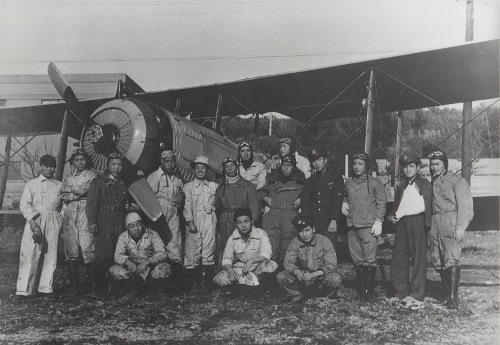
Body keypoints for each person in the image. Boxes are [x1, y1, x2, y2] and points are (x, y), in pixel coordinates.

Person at [428, 150, 473, 309]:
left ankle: (453, 298)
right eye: (432, 164)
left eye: (437, 164)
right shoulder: (433, 182)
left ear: (445, 164)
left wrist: (461, 227)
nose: (434, 167)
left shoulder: (457, 181)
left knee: (451, 258)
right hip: (435, 223)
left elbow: (466, 206)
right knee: (438, 259)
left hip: (451, 221)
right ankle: (446, 295)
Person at [387, 153, 431, 309]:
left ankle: (416, 294)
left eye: (411, 166)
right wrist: (391, 217)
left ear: (417, 168)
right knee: (399, 257)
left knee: (418, 257)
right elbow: (396, 207)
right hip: (402, 224)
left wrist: (428, 225)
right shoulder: (400, 185)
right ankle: (399, 292)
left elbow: (428, 205)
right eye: (405, 167)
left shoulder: (424, 184)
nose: (408, 169)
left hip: (418, 222)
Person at [342, 152, 387, 301]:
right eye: (354, 164)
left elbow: (382, 203)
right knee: (356, 259)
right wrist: (344, 202)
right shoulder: (348, 182)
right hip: (351, 225)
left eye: (360, 164)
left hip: (368, 225)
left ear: (366, 166)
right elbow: (345, 195)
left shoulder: (375, 183)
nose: (356, 167)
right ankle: (362, 289)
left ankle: (368, 290)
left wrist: (379, 221)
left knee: (369, 259)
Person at [16, 155, 63, 297]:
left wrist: (59, 219)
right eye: (46, 165)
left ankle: (45, 288)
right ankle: (24, 289)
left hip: (53, 219)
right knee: (29, 253)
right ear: (40, 166)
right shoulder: (32, 184)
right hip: (36, 218)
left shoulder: (59, 185)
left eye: (52, 166)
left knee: (51, 254)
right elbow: (24, 204)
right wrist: (32, 222)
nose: (49, 169)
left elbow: (64, 205)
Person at [86, 152, 129, 296]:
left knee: (117, 252)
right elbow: (91, 204)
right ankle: (98, 289)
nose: (117, 168)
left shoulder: (123, 182)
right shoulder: (98, 182)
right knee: (102, 254)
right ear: (108, 165)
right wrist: (92, 222)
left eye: (120, 165)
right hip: (103, 220)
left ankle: (114, 287)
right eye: (114, 164)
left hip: (119, 220)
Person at [277, 215, 341, 302]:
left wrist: (314, 274)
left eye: (307, 230)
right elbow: (288, 263)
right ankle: (297, 296)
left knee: (334, 279)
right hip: (303, 281)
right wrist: (297, 272)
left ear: (313, 229)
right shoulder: (295, 242)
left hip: (320, 280)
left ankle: (326, 297)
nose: (304, 235)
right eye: (301, 231)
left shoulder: (324, 241)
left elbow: (331, 265)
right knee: (281, 276)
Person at [60, 148, 99, 293]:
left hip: (85, 210)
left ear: (86, 160)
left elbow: (85, 190)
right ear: (73, 162)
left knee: (88, 246)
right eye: (77, 160)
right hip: (70, 212)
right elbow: (63, 194)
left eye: (82, 159)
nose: (80, 162)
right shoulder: (68, 177)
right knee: (71, 248)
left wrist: (73, 191)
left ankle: (95, 285)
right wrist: (73, 192)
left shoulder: (93, 175)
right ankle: (75, 287)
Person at [214, 208, 277, 292]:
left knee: (271, 265)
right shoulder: (232, 238)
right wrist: (230, 271)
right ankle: (247, 289)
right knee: (219, 279)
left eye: (246, 221)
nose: (243, 226)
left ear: (252, 222)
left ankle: (248, 288)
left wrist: (251, 261)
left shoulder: (261, 233)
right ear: (236, 224)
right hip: (239, 270)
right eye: (239, 223)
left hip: (257, 268)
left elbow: (266, 254)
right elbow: (226, 259)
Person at [215, 157, 260, 268]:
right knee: (226, 248)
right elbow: (218, 207)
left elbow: (254, 206)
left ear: (237, 167)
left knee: (242, 247)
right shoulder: (221, 187)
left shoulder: (247, 185)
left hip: (242, 220)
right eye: (227, 167)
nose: (230, 169)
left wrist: (251, 223)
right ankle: (225, 274)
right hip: (225, 221)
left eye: (232, 165)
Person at [109, 212, 171, 291]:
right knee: (115, 270)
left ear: (142, 224)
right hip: (133, 269)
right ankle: (132, 289)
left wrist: (147, 262)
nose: (136, 229)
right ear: (127, 228)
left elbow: (162, 253)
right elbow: (117, 255)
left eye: (138, 224)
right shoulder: (123, 237)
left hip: (149, 268)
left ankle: (155, 291)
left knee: (164, 268)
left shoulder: (152, 234)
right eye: (132, 226)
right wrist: (128, 263)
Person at [183, 156, 218, 290]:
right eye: (197, 168)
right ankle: (192, 284)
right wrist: (190, 222)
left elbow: (219, 201)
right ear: (193, 170)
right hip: (195, 220)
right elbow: (187, 206)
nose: (200, 171)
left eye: (203, 168)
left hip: (210, 220)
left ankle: (207, 283)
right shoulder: (188, 187)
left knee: (209, 250)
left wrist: (214, 209)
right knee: (192, 252)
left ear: (207, 170)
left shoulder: (214, 186)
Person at [260, 154, 304, 263]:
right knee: (271, 247)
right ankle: (269, 275)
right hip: (273, 217)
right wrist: (264, 197)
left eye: (288, 165)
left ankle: (287, 274)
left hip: (290, 217)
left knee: (288, 247)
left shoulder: (300, 184)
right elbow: (258, 193)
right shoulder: (274, 181)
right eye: (283, 165)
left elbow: (310, 194)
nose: (285, 168)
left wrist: (302, 199)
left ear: (293, 167)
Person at [147, 150, 184, 264]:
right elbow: (148, 197)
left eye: (172, 161)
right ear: (161, 162)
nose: (170, 164)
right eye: (166, 161)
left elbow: (182, 191)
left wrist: (181, 195)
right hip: (158, 211)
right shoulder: (155, 176)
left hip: (173, 211)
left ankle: (175, 270)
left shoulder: (177, 178)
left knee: (175, 242)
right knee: (157, 242)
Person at [301, 148, 344, 247]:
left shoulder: (336, 177)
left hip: (328, 221)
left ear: (325, 160)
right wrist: (307, 224)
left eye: (319, 159)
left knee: (329, 251)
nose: (317, 163)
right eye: (314, 160)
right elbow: (305, 203)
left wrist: (334, 220)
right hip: (314, 222)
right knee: (314, 251)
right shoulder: (309, 181)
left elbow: (338, 201)